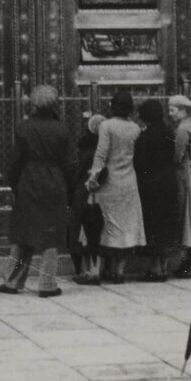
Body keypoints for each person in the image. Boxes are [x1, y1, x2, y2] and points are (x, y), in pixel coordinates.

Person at [0, 84, 76, 297]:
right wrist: (70, 185)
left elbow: (15, 161)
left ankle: (12, 281)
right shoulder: (61, 129)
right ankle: (47, 284)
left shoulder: (23, 127)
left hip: (29, 179)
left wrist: (14, 183)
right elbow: (69, 163)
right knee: (50, 235)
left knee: (24, 233)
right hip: (54, 180)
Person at [87, 89, 145, 283]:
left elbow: (101, 154)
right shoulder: (136, 128)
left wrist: (93, 178)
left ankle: (98, 270)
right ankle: (119, 271)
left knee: (105, 225)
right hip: (129, 181)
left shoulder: (106, 126)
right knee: (126, 227)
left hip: (109, 181)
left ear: (112, 106)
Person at [133, 98, 180, 280]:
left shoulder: (145, 136)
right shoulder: (169, 132)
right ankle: (164, 266)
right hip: (168, 183)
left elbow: (140, 162)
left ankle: (155, 268)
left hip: (150, 185)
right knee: (166, 226)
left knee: (152, 226)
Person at [167, 95, 191, 277]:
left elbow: (177, 155)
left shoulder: (182, 129)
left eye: (173, 110)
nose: (170, 114)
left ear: (183, 110)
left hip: (185, 174)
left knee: (187, 216)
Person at [70, 112, 106, 285]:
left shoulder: (84, 150)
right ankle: (97, 268)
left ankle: (85, 270)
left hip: (84, 194)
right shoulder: (104, 149)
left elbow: (77, 173)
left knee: (82, 232)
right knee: (97, 232)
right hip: (102, 194)